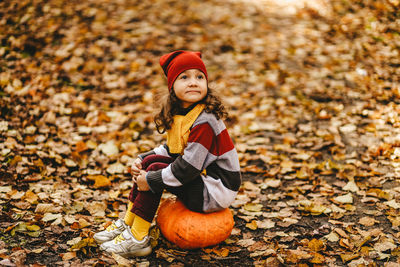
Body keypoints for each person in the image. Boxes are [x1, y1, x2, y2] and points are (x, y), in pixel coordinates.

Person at [93, 50, 242, 258]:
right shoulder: (183, 114)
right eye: (185, 77)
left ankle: (138, 238)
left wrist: (151, 179)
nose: (193, 82)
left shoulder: (205, 120)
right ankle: (128, 223)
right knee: (150, 164)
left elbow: (187, 167)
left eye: (200, 77)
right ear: (172, 86)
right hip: (201, 178)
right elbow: (172, 150)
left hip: (215, 190)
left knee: (154, 172)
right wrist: (142, 159)